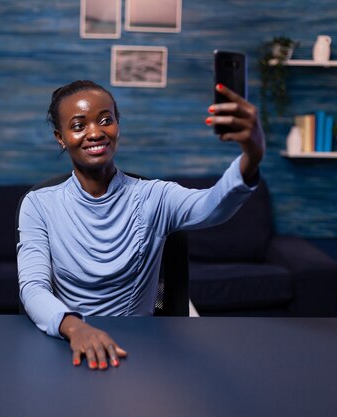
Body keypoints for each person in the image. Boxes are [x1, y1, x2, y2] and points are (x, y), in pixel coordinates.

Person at [16, 80, 265, 371]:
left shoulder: (155, 196)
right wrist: (76, 328)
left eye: (105, 120)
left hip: (141, 350)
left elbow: (212, 206)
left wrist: (251, 156)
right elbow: (33, 287)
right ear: (61, 137)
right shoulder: (38, 204)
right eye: (79, 125)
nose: (95, 132)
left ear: (118, 126)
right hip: (66, 343)